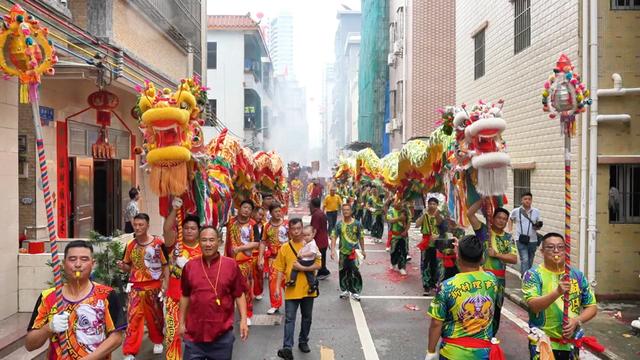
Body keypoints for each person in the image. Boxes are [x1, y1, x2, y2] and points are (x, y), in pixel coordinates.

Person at [25, 240, 126, 359]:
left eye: (84, 259)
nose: (78, 264)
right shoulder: (48, 297)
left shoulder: (106, 295)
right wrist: (49, 327)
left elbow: (117, 337)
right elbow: (30, 345)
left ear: (92, 264)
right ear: (63, 264)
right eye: (72, 259)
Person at [426, 235, 503, 360]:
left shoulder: (447, 286)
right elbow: (479, 269)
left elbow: (436, 323)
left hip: (453, 353)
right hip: (482, 354)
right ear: (482, 257)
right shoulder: (492, 280)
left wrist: (430, 351)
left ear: (458, 256)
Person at [522, 233, 597, 360]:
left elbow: (592, 307)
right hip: (543, 343)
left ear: (566, 250)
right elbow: (534, 306)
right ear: (542, 251)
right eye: (550, 247)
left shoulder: (577, 275)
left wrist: (576, 321)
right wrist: (557, 292)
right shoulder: (533, 275)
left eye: (561, 247)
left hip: (571, 344)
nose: (556, 251)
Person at [180, 226, 249, 360]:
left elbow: (239, 294)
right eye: (204, 240)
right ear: (199, 242)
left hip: (222, 336)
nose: (208, 244)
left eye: (212, 240)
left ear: (219, 241)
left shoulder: (231, 265)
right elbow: (185, 295)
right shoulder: (189, 266)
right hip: (194, 335)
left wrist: (243, 320)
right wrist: (181, 323)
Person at [116, 213, 167, 359]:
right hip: (136, 287)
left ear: (147, 225)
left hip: (154, 285)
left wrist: (165, 285)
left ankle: (157, 340)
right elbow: (127, 266)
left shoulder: (158, 243)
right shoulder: (130, 245)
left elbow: (165, 265)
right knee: (133, 317)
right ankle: (130, 350)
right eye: (135, 225)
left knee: (155, 316)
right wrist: (122, 266)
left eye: (141, 225)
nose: (137, 228)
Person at [467, 199, 518, 336]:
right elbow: (470, 214)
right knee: (479, 307)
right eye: (499, 218)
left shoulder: (508, 238)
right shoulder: (484, 231)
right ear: (493, 218)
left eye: (505, 219)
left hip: (499, 281)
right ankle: (476, 335)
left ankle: (491, 336)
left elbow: (513, 258)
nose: (502, 221)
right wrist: (481, 200)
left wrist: (497, 254)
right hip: (482, 277)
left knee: (495, 310)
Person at [274, 219, 321, 360]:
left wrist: (303, 268)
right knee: (289, 319)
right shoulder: (284, 248)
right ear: (289, 230)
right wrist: (276, 288)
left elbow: (319, 264)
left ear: (302, 228)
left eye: (299, 228)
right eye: (293, 229)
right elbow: (280, 270)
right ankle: (287, 347)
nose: (296, 231)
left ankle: (303, 341)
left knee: (307, 317)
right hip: (291, 289)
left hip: (308, 289)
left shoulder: (310, 245)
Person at [162, 198, 202, 360]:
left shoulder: (204, 248)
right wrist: (173, 209)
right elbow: (166, 229)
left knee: (196, 337)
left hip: (196, 300)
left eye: (193, 228)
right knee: (172, 335)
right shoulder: (175, 244)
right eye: (186, 228)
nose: (189, 231)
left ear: (199, 231)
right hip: (174, 298)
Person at [225, 200, 259, 325]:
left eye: (249, 209)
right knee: (228, 289)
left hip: (245, 261)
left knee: (245, 288)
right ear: (239, 208)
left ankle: (247, 314)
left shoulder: (253, 224)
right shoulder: (230, 221)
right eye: (245, 207)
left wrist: (241, 248)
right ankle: (228, 315)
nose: (246, 210)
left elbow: (256, 242)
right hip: (229, 261)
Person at [330, 203, 366, 301]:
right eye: (344, 210)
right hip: (343, 252)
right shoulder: (339, 224)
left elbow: (361, 237)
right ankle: (345, 290)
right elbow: (334, 236)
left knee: (355, 271)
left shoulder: (357, 224)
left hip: (354, 253)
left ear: (351, 211)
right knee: (343, 271)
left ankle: (355, 291)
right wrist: (333, 250)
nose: (346, 211)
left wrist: (363, 250)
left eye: (347, 210)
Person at [261, 202, 289, 314]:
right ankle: (275, 304)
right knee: (273, 282)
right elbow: (263, 241)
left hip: (286, 259)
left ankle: (290, 303)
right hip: (273, 259)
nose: (278, 213)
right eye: (276, 211)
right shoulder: (266, 226)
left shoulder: (287, 224)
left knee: (287, 282)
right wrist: (260, 257)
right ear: (270, 213)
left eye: (279, 211)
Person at [508, 192, 543, 275]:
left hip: (533, 240)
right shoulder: (516, 211)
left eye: (529, 199)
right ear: (521, 200)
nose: (527, 201)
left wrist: (537, 226)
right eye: (525, 199)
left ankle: (528, 277)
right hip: (520, 239)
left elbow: (538, 225)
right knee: (525, 259)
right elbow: (510, 219)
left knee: (530, 260)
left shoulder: (536, 211)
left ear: (531, 200)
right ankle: (525, 280)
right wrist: (510, 231)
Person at [416, 197, 444, 295]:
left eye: (434, 204)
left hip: (437, 243)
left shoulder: (439, 215)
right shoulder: (424, 215)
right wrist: (424, 215)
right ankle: (426, 286)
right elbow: (417, 224)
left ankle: (434, 283)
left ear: (437, 205)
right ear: (427, 205)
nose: (432, 205)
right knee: (425, 264)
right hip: (426, 242)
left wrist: (438, 236)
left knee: (436, 264)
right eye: (430, 203)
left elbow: (443, 227)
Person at [286, 225, 320, 294]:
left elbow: (312, 252)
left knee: (295, 266)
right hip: (307, 260)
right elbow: (303, 249)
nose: (306, 237)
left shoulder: (312, 244)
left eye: (308, 235)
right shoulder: (307, 242)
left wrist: (303, 255)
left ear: (313, 234)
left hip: (308, 261)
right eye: (304, 235)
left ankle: (292, 280)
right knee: (309, 274)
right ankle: (312, 285)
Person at [386, 198, 411, 275]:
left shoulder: (406, 211)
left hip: (403, 235)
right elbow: (390, 220)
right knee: (394, 251)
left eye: (400, 202)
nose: (399, 204)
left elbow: (409, 222)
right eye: (397, 202)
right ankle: (393, 263)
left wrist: (405, 231)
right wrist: (400, 218)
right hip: (394, 235)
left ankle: (402, 267)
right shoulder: (391, 210)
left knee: (404, 251)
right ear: (394, 202)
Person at [309, 198, 330, 279]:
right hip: (323, 239)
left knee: (318, 257)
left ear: (312, 205)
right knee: (322, 257)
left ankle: (323, 271)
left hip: (319, 240)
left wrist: (309, 239)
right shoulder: (320, 213)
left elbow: (314, 229)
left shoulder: (316, 215)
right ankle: (322, 271)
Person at [252, 206, 266, 300]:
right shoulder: (247, 223)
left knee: (258, 275)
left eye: (262, 215)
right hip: (246, 253)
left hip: (258, 252)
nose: (260, 217)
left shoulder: (264, 225)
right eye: (259, 214)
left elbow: (263, 241)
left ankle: (258, 292)